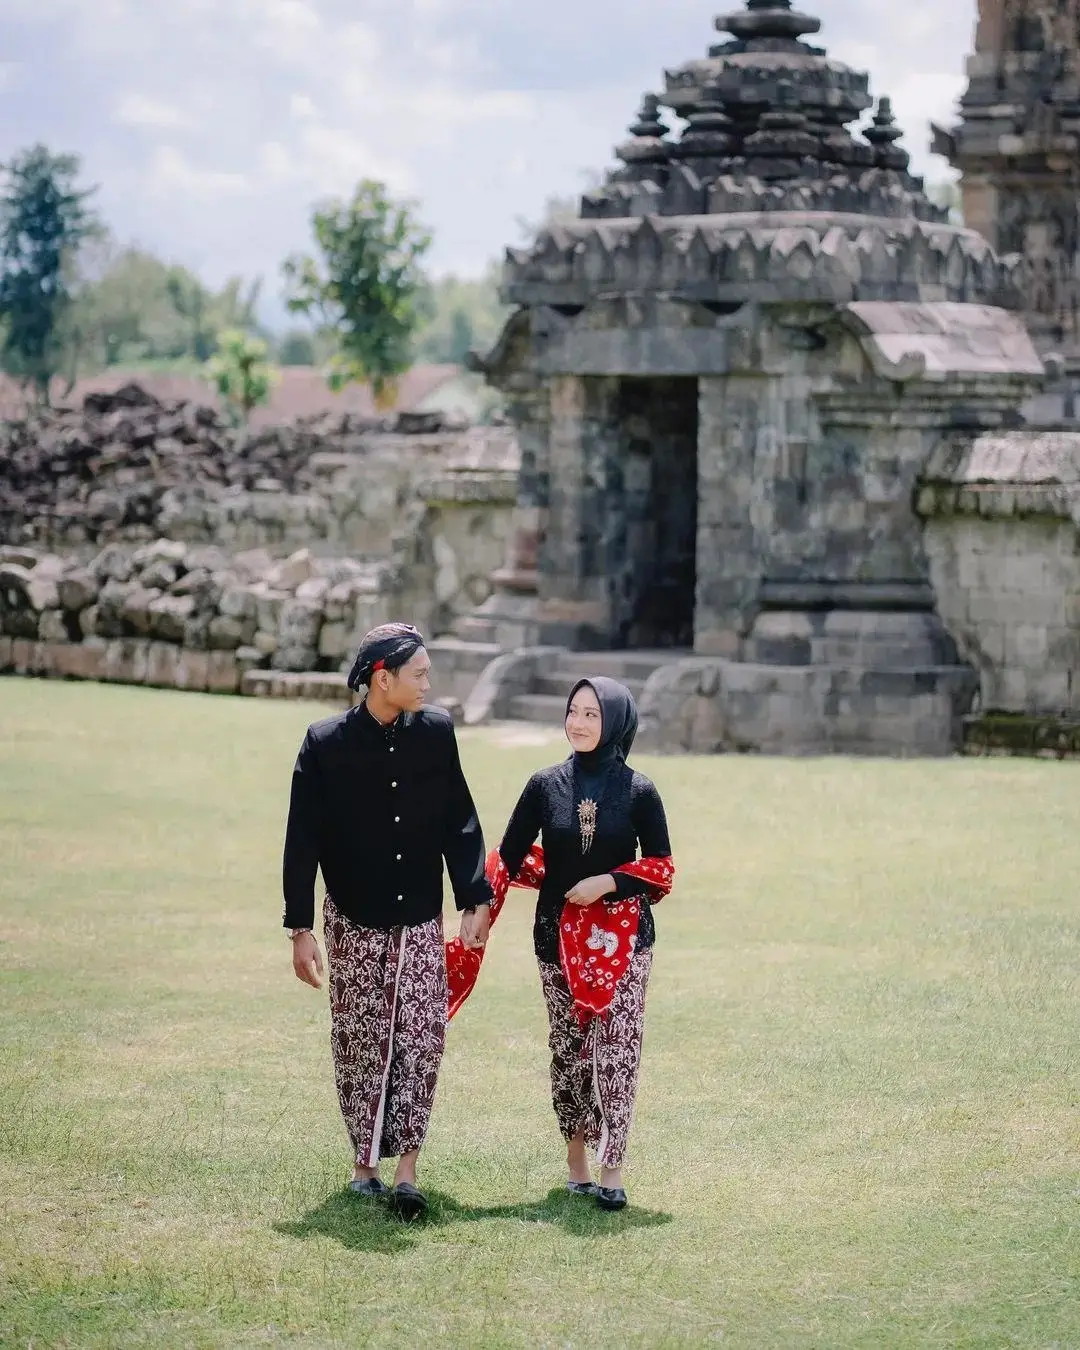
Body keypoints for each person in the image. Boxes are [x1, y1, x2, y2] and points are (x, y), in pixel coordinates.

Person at [281, 622, 492, 1221]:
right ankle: (364, 1166)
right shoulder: (324, 744)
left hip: (421, 917)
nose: (429, 684)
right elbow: (303, 841)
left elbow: (460, 818)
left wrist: (474, 897)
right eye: (419, 674)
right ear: (383, 678)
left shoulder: (436, 733)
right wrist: (301, 928)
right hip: (353, 919)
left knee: (422, 1038)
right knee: (361, 1043)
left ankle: (406, 1171)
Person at [494, 677, 674, 1212]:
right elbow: (507, 855)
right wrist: (485, 908)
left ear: (615, 721)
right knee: (570, 1051)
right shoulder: (543, 784)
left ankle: (613, 1167)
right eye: (573, 712)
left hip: (625, 943)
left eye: (593, 714)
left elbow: (661, 869)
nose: (579, 723)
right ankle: (577, 1159)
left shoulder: (640, 791)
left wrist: (608, 883)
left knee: (617, 1052)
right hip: (556, 940)